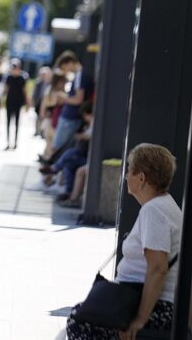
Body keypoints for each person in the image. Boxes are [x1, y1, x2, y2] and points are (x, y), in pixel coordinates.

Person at [67, 143, 182, 340]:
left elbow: (158, 268)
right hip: (145, 300)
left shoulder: (154, 211)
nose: (126, 175)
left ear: (141, 178)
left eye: (129, 169)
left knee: (80, 320)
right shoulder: (164, 206)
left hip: (154, 306)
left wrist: (139, 319)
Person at [52, 51, 93, 154]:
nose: (65, 71)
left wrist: (64, 97)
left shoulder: (80, 75)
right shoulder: (80, 75)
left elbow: (78, 99)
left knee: (57, 146)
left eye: (64, 67)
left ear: (70, 62)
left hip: (70, 117)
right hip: (72, 116)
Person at [3, 58, 29, 150]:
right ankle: (8, 142)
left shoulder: (22, 78)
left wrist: (27, 103)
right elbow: (5, 89)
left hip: (18, 103)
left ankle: (15, 142)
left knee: (17, 123)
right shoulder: (9, 78)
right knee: (8, 123)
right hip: (9, 102)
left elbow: (25, 91)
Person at [32, 66, 52, 137]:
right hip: (38, 102)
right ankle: (37, 131)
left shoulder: (50, 83)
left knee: (45, 117)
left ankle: (42, 132)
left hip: (46, 103)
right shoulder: (38, 82)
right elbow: (34, 93)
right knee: (38, 117)